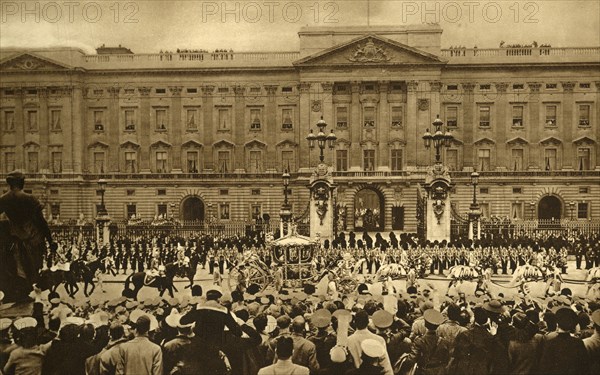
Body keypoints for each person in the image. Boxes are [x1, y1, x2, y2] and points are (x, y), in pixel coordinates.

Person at [0, 171, 57, 302]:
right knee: (31, 267)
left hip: (11, 239)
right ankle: (25, 291)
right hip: (30, 239)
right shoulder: (29, 198)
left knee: (13, 267)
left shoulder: (3, 199)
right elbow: (41, 222)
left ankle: (15, 292)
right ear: (22, 183)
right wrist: (50, 240)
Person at [538, 306, 590, 375]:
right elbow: (585, 367)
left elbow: (544, 368)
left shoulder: (550, 343)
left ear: (557, 324)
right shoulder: (579, 343)